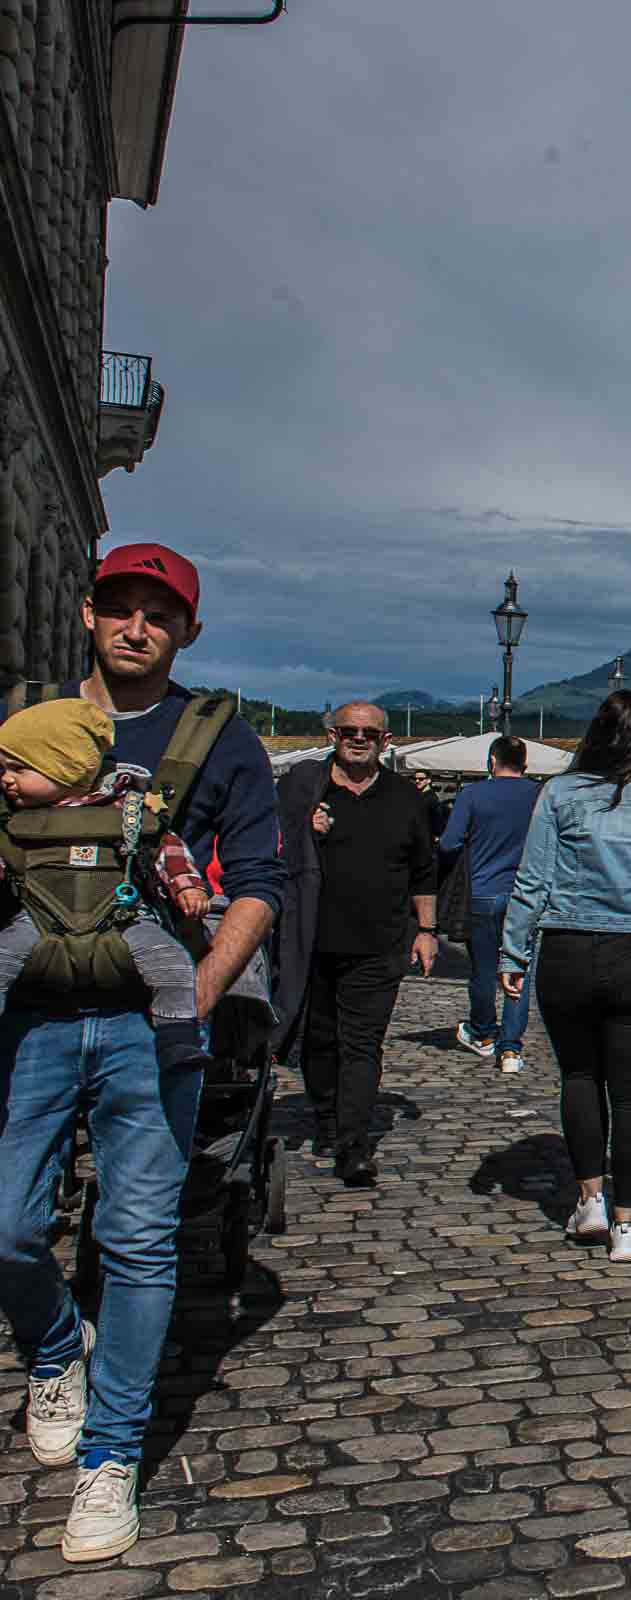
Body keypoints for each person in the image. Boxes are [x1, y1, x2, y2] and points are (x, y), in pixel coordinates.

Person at [0, 542, 282, 1566]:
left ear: (187, 631)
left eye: (157, 614)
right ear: (86, 612)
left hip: (150, 1017)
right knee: (8, 1226)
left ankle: (110, 1456)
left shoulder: (223, 740)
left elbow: (257, 881)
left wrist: (201, 997)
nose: (135, 626)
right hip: (31, 1009)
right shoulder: (26, 729)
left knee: (139, 1239)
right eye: (119, 606)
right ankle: (53, 1345)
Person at [501, 690, 631, 1266]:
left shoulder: (558, 795)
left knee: (579, 1076)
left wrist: (512, 954)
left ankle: (590, 1200)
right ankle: (628, 1226)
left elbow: (532, 881)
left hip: (568, 950)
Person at [0, 700, 214, 1067]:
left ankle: (177, 1036)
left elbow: (167, 847)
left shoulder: (127, 809)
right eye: (2, 768)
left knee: (173, 963)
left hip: (123, 915)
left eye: (19, 768)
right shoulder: (14, 819)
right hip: (37, 916)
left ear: (64, 768)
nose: (6, 779)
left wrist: (187, 886)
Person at [277, 702, 437, 1187]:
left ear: (387, 742)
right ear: (333, 735)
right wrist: (303, 830)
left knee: (362, 1044)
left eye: (370, 732)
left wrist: (426, 930)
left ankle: (353, 1143)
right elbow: (266, 844)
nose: (359, 738)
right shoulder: (303, 790)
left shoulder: (405, 799)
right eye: (350, 731)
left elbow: (423, 869)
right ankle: (326, 1116)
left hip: (380, 943)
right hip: (312, 940)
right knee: (320, 1041)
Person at [439, 734, 540, 1073]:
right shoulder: (539, 795)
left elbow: (450, 842)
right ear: (525, 764)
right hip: (526, 896)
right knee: (519, 971)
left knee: (482, 970)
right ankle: (511, 1049)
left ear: (492, 762)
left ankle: (483, 1033)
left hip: (482, 892)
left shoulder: (472, 795)